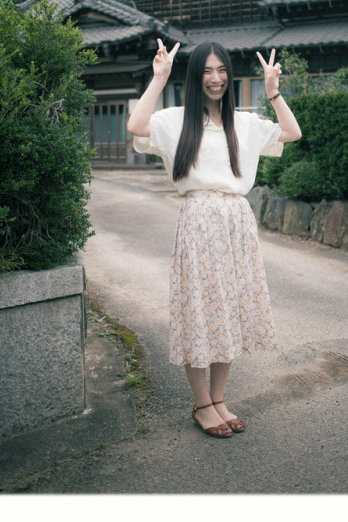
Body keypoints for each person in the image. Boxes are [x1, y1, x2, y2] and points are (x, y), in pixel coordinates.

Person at [127, 39, 302, 438]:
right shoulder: (174, 121)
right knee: (200, 312)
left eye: (222, 70)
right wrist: (158, 79)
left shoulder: (244, 122)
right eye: (206, 71)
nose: (216, 78)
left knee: (230, 312)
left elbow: (292, 132)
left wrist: (273, 91)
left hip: (237, 222)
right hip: (199, 223)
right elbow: (136, 127)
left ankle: (219, 398)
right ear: (195, 77)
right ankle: (202, 403)